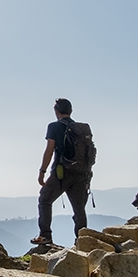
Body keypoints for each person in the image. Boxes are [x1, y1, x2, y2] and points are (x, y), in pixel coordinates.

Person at [31, 98, 90, 245]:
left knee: (44, 200)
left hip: (61, 173)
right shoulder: (82, 129)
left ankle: (45, 236)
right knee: (79, 209)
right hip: (82, 174)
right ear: (70, 111)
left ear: (56, 111)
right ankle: (82, 240)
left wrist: (42, 171)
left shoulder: (54, 126)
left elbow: (49, 150)